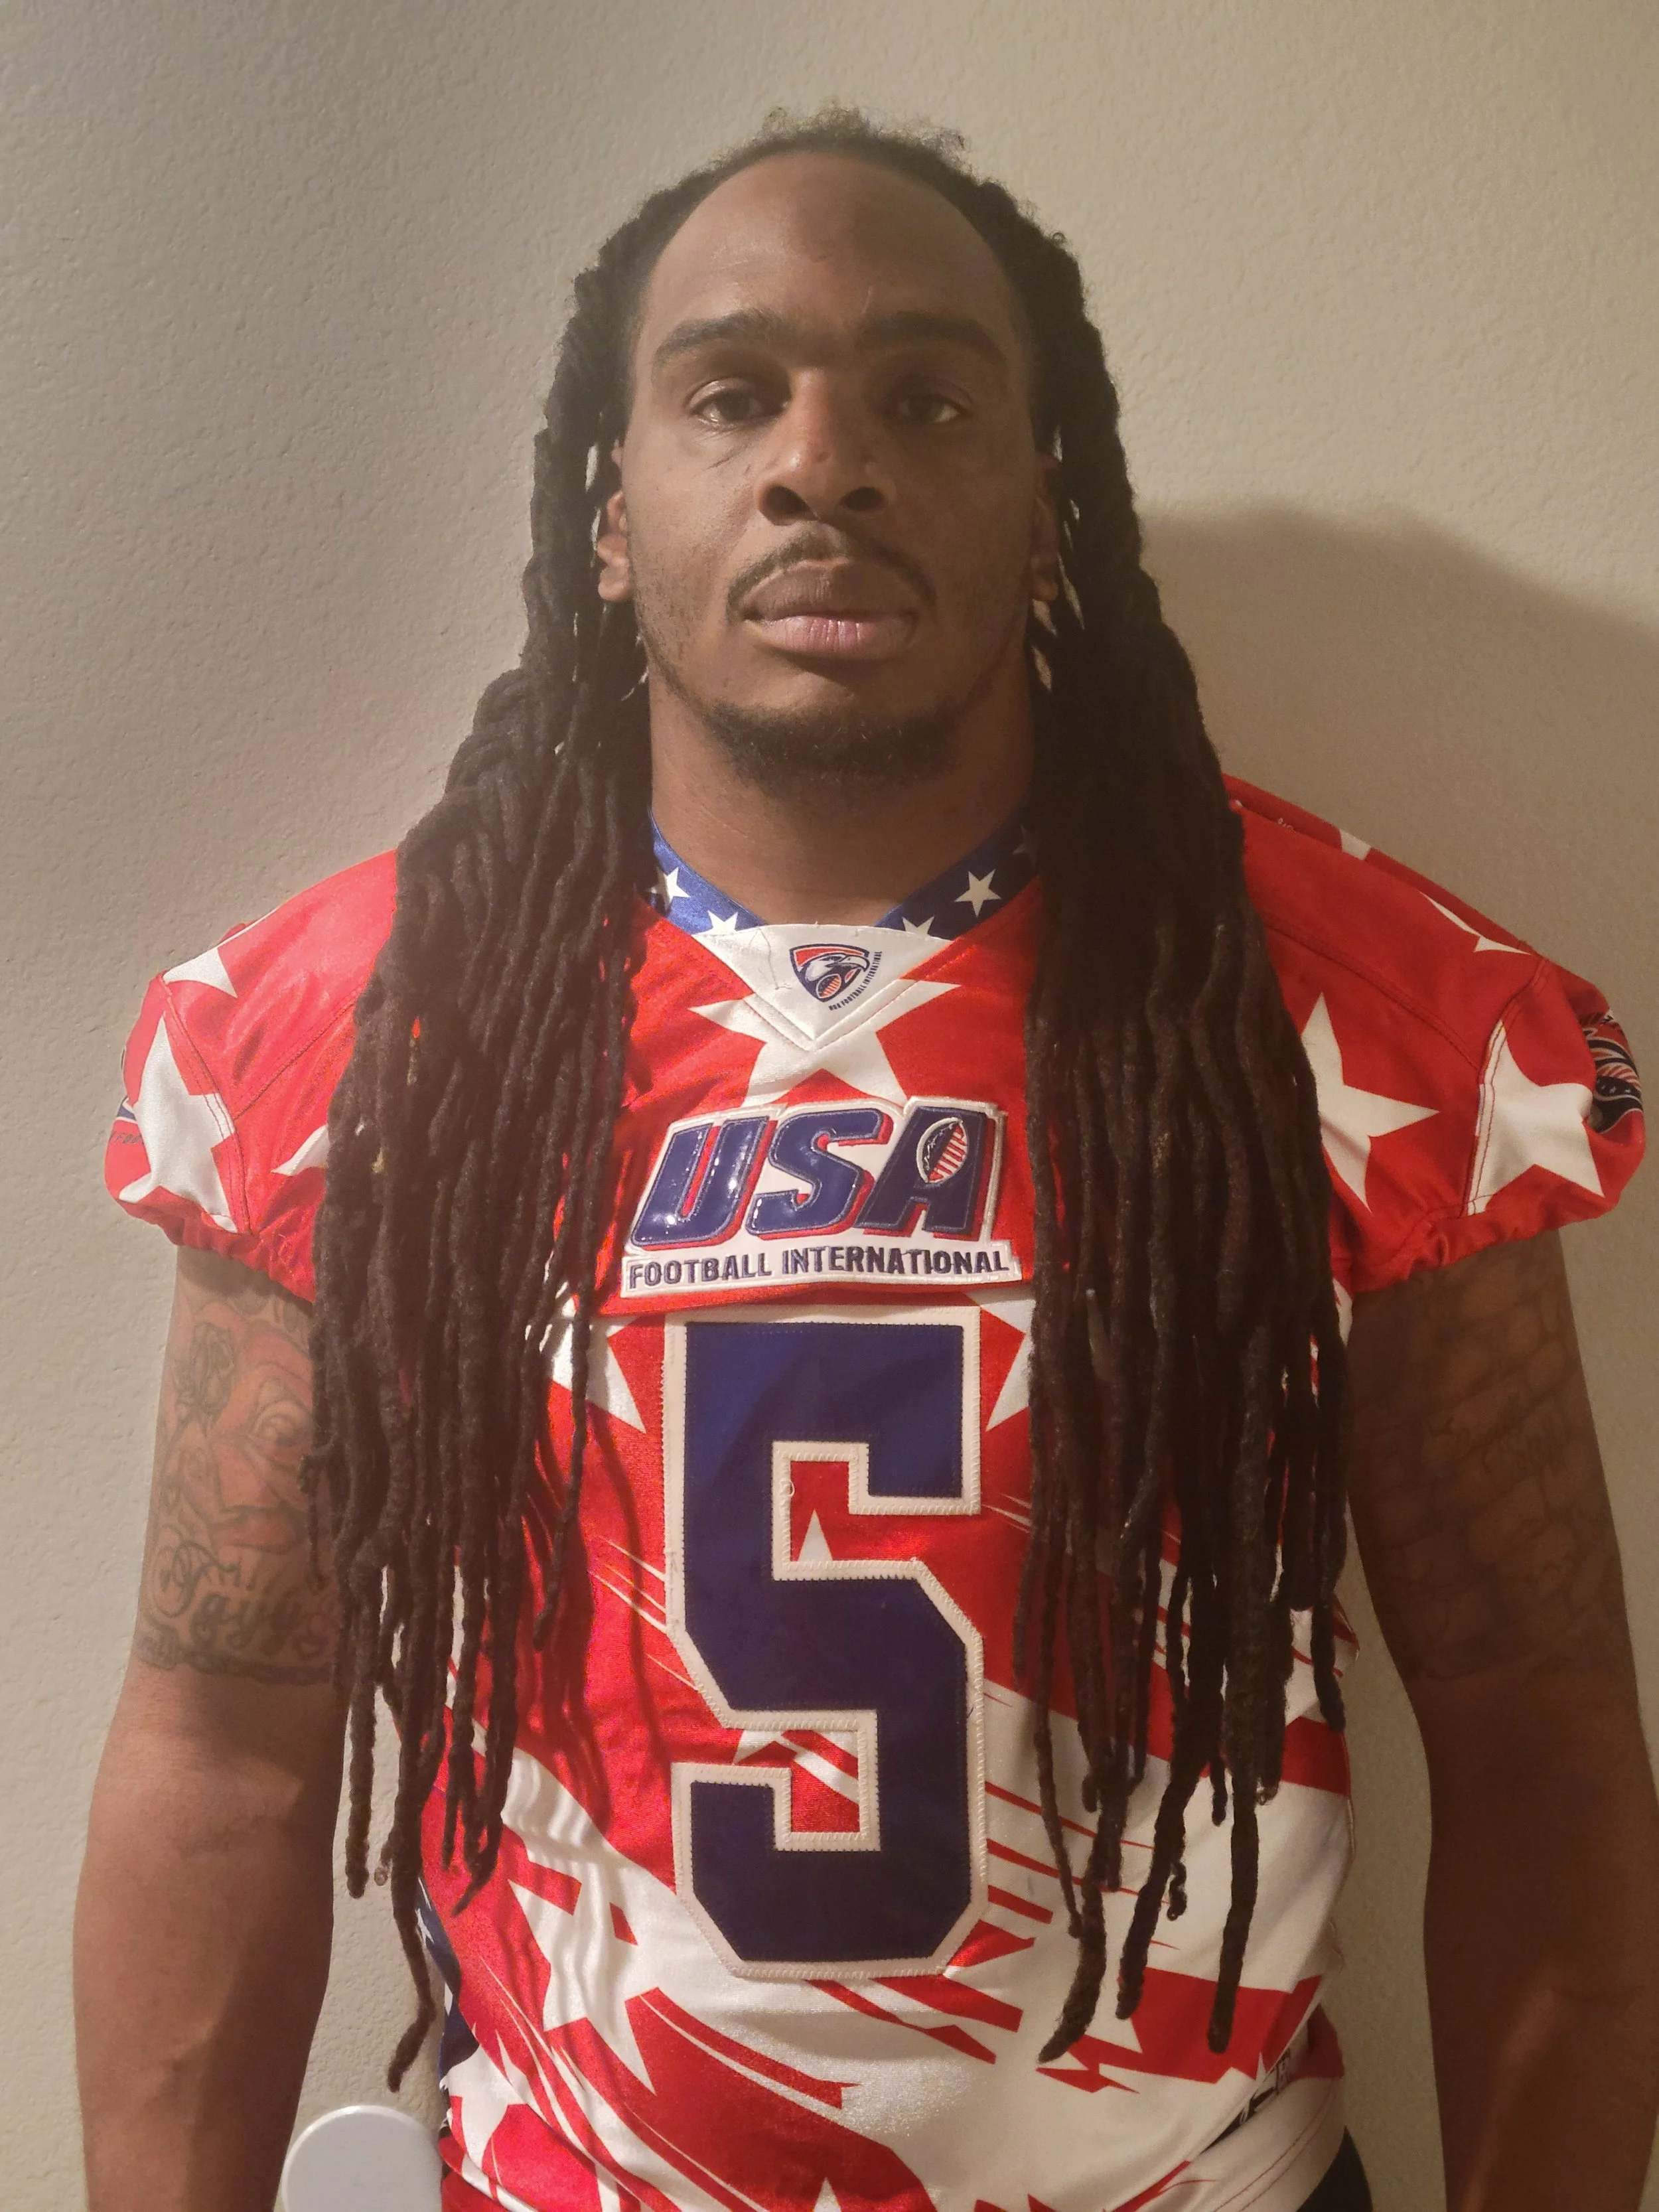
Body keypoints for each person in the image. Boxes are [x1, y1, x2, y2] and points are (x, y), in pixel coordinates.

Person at [75, 110, 1657, 2212]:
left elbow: (1540, 1746)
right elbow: (223, 1755)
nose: (822, 460)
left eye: (923, 395)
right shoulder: (356, 1039)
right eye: (731, 394)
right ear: (611, 509)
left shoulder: (1347, 1016)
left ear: (1042, 503)